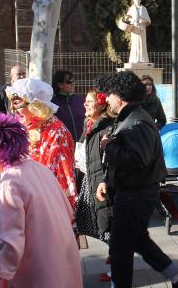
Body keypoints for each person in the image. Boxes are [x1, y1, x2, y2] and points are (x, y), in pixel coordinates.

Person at [0, 112, 84, 288]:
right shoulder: (39, 168)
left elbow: (9, 243)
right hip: (61, 258)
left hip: (35, 269)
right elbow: (67, 211)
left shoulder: (10, 184)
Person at [94, 71, 178, 288]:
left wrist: (109, 147)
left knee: (120, 246)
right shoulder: (130, 118)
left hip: (135, 194)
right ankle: (177, 277)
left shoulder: (137, 121)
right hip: (133, 191)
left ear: (121, 96)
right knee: (137, 241)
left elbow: (137, 159)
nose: (107, 99)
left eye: (110, 95)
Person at [6, 78, 78, 210]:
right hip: (24, 197)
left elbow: (64, 178)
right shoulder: (25, 125)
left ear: (35, 105)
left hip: (46, 203)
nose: (12, 109)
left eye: (16, 103)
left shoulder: (57, 133)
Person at [75, 89, 115, 243]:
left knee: (106, 229)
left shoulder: (106, 128)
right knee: (93, 225)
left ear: (100, 105)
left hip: (100, 183)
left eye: (90, 101)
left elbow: (108, 161)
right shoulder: (89, 125)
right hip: (88, 180)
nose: (85, 104)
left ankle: (117, 259)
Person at [51, 69, 85, 141]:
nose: (72, 84)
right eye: (69, 82)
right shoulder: (52, 103)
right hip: (64, 144)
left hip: (81, 144)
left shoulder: (79, 99)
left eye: (73, 81)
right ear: (60, 85)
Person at [124, 0, 151, 64]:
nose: (137, 0)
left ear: (140, 0)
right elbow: (127, 18)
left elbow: (148, 20)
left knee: (142, 44)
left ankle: (143, 59)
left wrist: (143, 21)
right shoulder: (131, 8)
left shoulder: (144, 9)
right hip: (134, 29)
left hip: (142, 29)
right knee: (135, 44)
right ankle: (134, 59)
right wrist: (131, 19)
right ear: (133, 0)